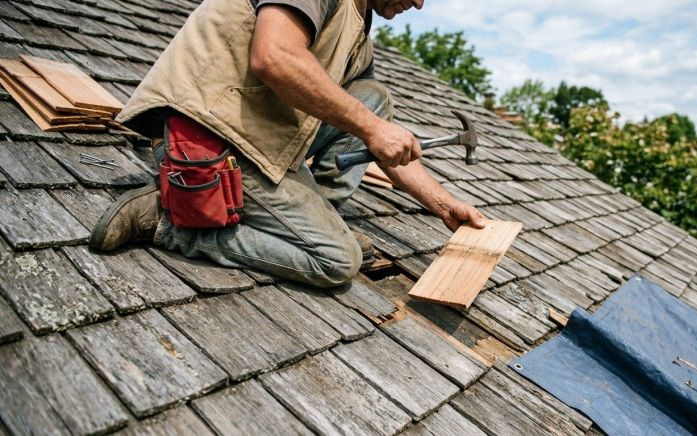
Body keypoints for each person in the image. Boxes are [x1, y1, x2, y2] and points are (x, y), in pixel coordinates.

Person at [90, 0, 486, 288]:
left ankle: (317, 219)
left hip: (259, 141)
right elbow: (273, 55)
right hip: (206, 135)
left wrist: (442, 202)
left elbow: (379, 134)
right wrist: (372, 128)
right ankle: (169, 221)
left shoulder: (356, 30)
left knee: (371, 99)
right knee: (336, 261)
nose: (418, 3)